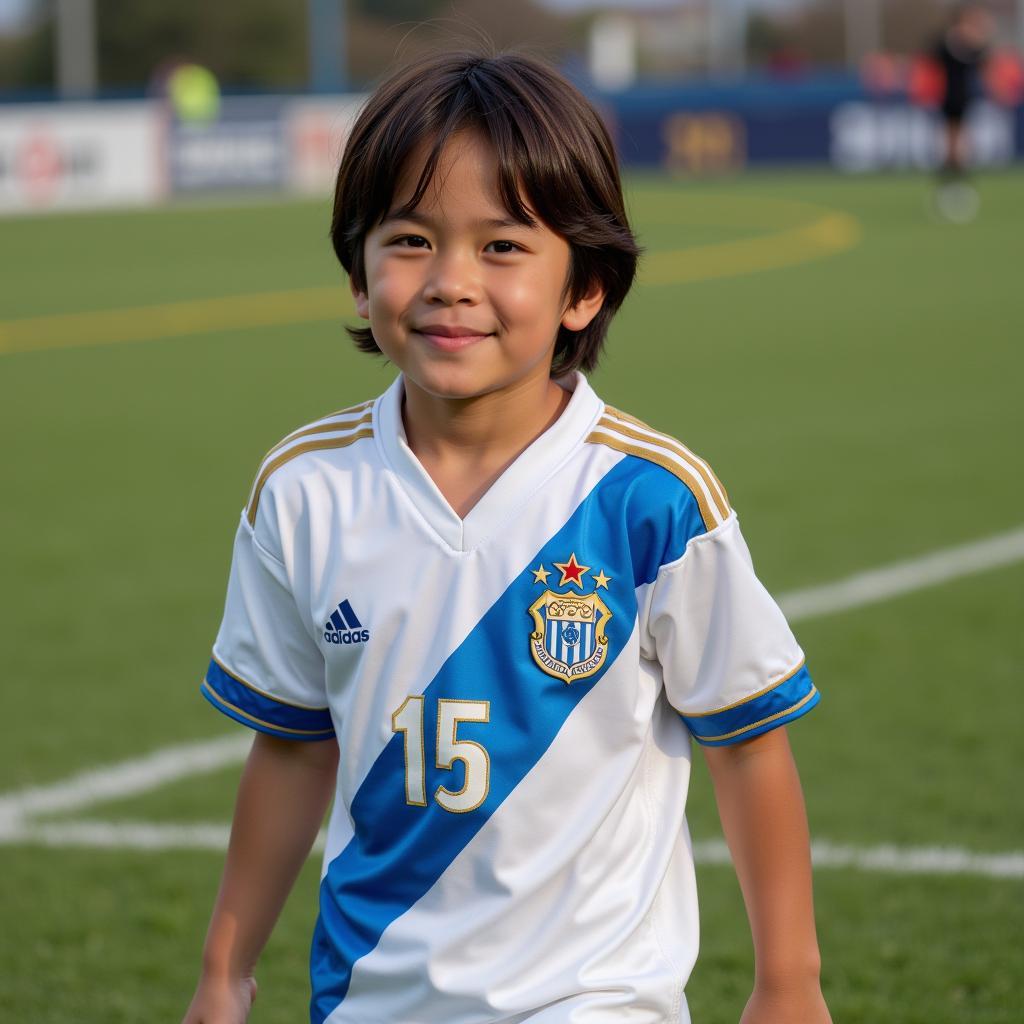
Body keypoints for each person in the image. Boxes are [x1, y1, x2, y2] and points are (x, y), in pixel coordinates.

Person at [183, 51, 832, 1024]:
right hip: (371, 997)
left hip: (591, 997)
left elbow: (746, 741)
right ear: (357, 277)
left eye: (501, 246)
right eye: (409, 239)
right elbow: (290, 746)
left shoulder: (648, 499)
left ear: (585, 289)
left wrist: (788, 983)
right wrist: (224, 971)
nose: (449, 282)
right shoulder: (304, 490)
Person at [930, 2, 995, 220]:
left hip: (965, 99)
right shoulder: (949, 42)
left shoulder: (973, 44)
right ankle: (950, 182)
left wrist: (979, 38)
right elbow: (934, 56)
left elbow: (983, 58)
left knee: (961, 145)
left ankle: (955, 181)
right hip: (950, 99)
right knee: (953, 144)